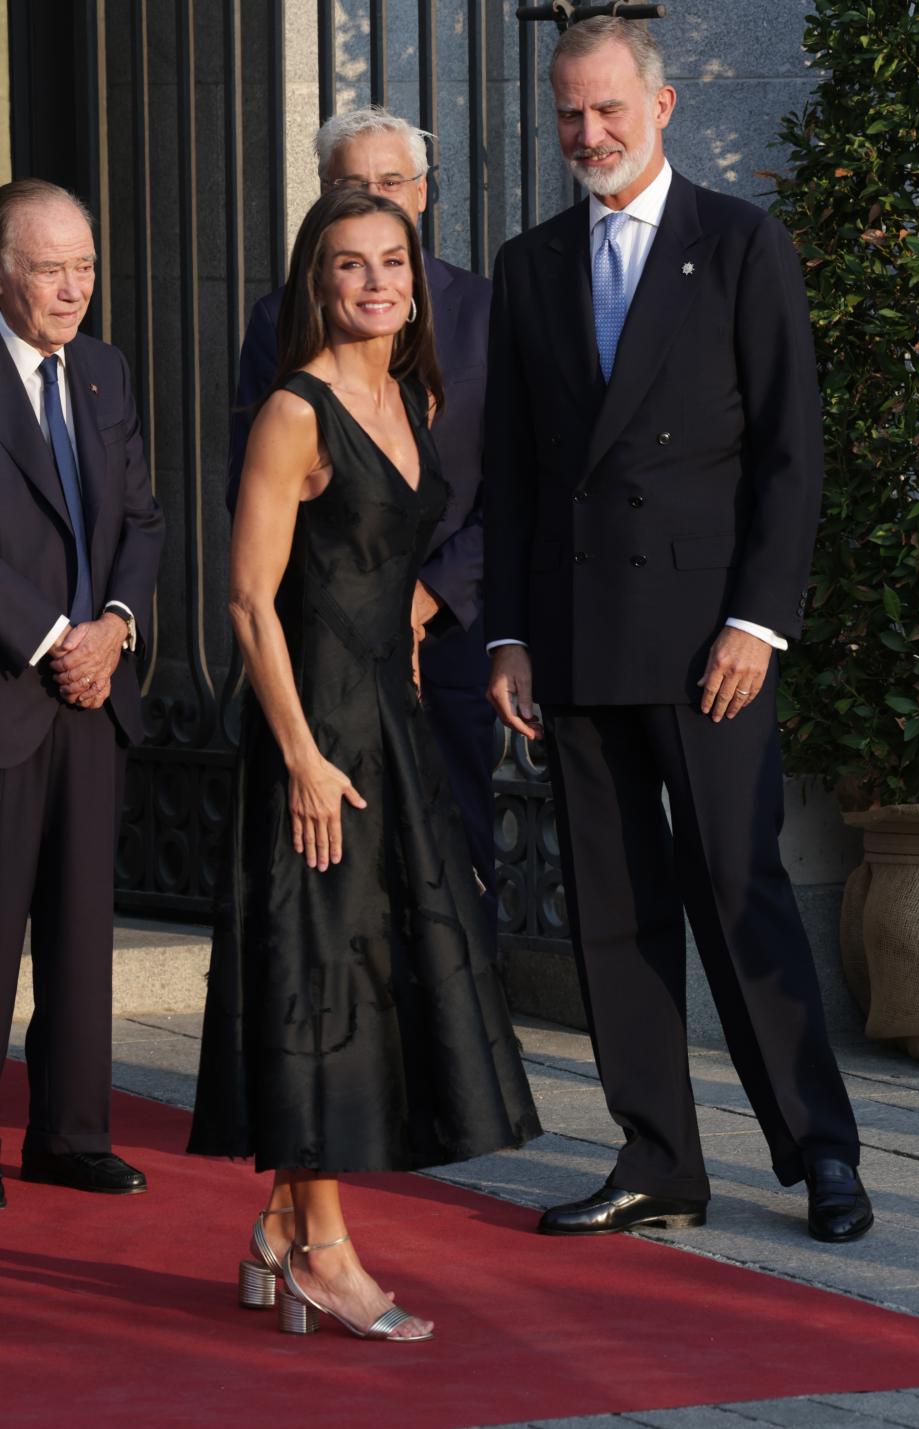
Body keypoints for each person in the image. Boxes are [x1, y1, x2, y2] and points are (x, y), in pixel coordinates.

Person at [485, 18, 872, 1245]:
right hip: (579, 628)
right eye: (565, 115)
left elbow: (788, 456)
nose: (585, 135)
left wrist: (758, 621)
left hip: (712, 641)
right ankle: (657, 1155)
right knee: (611, 910)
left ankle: (821, 1152)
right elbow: (512, 472)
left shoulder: (740, 242)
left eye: (606, 110)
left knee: (738, 889)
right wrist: (505, 635)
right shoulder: (530, 262)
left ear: (660, 107)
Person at [187, 189, 540, 1341]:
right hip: (316, 725)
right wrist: (296, 751)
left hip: (383, 719)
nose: (376, 282)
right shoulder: (295, 409)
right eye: (349, 266)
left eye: (391, 262)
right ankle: (327, 1251)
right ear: (317, 284)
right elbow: (247, 598)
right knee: (320, 978)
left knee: (357, 966)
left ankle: (283, 1234)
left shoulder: (407, 394)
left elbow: (392, 568)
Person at [229, 106, 496, 934]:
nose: (374, 194)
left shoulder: (489, 310)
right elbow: (264, 525)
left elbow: (518, 485)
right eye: (352, 184)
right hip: (329, 662)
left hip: (450, 634)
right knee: (339, 905)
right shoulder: (278, 325)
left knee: (450, 882)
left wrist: (427, 600)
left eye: (390, 182)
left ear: (422, 194)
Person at [0, 179, 164, 1208]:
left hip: (93, 692)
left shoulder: (102, 370)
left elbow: (141, 519)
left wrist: (113, 626)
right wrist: (54, 637)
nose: (74, 289)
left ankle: (69, 1133)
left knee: (79, 923)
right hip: (12, 688)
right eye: (51, 268)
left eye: (86, 267)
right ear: (4, 271)